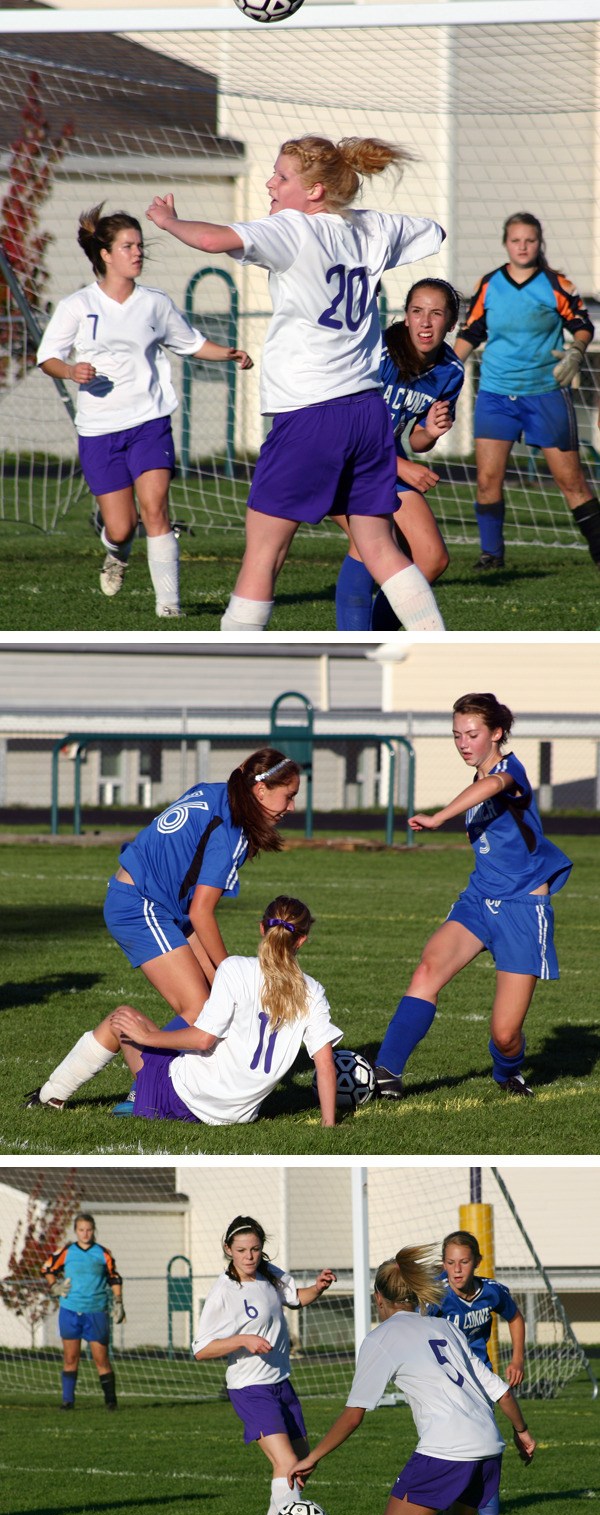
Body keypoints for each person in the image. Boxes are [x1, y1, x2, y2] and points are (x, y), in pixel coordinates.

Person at [146, 137, 447, 634]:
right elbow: (434, 232)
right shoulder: (371, 228)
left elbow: (213, 240)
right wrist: (355, 220)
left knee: (264, 555)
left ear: (315, 191)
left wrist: (168, 221)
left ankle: (228, 666)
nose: (270, 183)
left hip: (311, 414)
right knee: (379, 546)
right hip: (367, 412)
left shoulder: (293, 228)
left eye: (282, 177)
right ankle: (436, 648)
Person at [294, 1242, 550, 1515]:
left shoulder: (381, 1339)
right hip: (487, 1445)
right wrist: (522, 1432)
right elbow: (498, 1389)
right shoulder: (445, 1328)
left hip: (446, 1452)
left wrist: (311, 1457)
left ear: (378, 1297)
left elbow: (354, 1415)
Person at [25, 752, 302, 1108]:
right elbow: (201, 912)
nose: (292, 807)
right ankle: (142, 1078)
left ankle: (55, 1093)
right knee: (198, 1007)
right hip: (142, 904)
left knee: (214, 1001)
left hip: (156, 903)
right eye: (289, 796)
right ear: (261, 791)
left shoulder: (214, 792)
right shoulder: (233, 831)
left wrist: (223, 979)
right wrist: (232, 971)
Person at [36, 204, 252, 617]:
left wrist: (228, 353)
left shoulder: (155, 302)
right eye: (128, 246)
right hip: (100, 430)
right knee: (121, 528)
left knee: (155, 510)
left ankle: (169, 606)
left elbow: (190, 343)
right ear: (105, 254)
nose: (137, 253)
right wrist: (71, 370)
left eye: (139, 246)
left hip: (149, 423)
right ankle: (116, 553)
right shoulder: (77, 305)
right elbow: (48, 358)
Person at [374, 692, 572, 1101]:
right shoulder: (477, 777)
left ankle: (508, 1072)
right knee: (427, 971)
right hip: (479, 900)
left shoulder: (509, 770)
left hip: (522, 908)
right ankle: (386, 1074)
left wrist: (438, 817)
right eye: (456, 735)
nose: (463, 743)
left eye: (472, 734)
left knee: (505, 1035)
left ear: (496, 733)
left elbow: (494, 786)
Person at [27, 896, 341, 1130]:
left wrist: (147, 1036)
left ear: (262, 928)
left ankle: (52, 1095)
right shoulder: (313, 991)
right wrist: (329, 1125)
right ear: (302, 940)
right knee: (177, 1034)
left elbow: (203, 1039)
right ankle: (138, 1095)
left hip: (185, 1099)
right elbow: (325, 1065)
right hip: (239, 1115)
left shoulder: (234, 968)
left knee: (121, 1019)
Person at [452, 211, 599, 574]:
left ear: (539, 243)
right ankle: (491, 556)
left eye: (529, 240)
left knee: (571, 482)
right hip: (496, 393)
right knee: (487, 480)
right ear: (505, 244)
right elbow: (471, 332)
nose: (522, 246)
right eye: (516, 240)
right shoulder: (490, 284)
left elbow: (583, 325)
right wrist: (445, 373)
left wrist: (576, 351)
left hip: (545, 392)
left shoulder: (556, 284)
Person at [193, 1212, 338, 1515]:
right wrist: (242, 1339)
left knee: (302, 1465)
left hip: (281, 1382)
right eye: (242, 1250)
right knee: (286, 1464)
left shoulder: (269, 1274)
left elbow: (296, 1298)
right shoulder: (223, 1292)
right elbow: (201, 1349)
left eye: (255, 1249)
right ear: (228, 1249)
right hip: (250, 1388)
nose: (249, 1256)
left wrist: (318, 1287)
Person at [335, 279, 464, 628]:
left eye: (436, 314)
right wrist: (401, 466)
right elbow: (342, 428)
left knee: (432, 558)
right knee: (373, 543)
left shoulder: (450, 372)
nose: (425, 322)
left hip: (384, 462)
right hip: (339, 458)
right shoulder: (376, 353)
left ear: (451, 323)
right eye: (417, 311)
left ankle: (379, 632)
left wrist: (430, 432)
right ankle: (356, 642)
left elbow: (419, 440)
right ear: (406, 316)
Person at [431, 1229, 526, 1515]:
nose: (457, 1269)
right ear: (443, 1264)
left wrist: (517, 1359)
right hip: (445, 1382)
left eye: (464, 1262)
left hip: (480, 1378)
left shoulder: (492, 1291)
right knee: (451, 1452)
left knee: (485, 1455)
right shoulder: (437, 1295)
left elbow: (515, 1317)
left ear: (477, 1262)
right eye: (450, 1262)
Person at [41, 1210, 124, 1413]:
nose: (85, 1233)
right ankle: (67, 1401)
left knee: (101, 1359)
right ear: (76, 1231)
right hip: (70, 1311)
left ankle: (111, 1402)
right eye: (81, 1230)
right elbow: (47, 1269)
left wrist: (118, 1302)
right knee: (70, 1358)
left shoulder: (103, 1253)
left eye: (88, 1230)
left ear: (94, 1230)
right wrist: (54, 1286)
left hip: (96, 1311)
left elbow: (114, 1277)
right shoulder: (67, 1252)